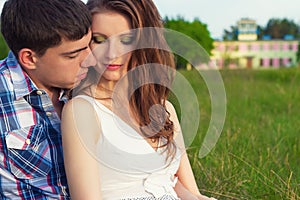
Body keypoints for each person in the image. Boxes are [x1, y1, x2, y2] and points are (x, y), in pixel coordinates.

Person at [61, 0, 217, 199]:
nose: (112, 54)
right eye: (100, 40)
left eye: (125, 41)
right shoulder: (82, 111)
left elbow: (189, 191)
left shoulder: (163, 107)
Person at [0, 0, 96, 199]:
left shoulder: (94, 82)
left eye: (89, 44)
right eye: (73, 55)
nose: (91, 59)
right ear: (29, 58)